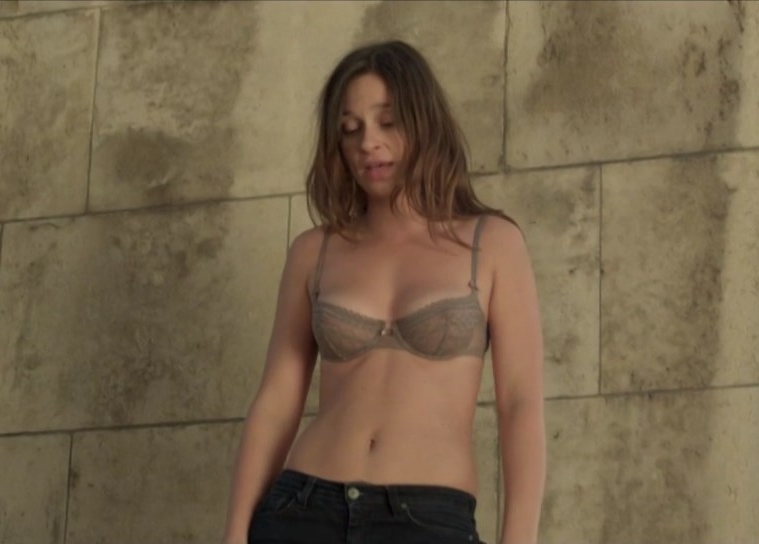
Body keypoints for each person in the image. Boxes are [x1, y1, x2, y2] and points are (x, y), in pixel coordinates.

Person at [223, 40, 545, 544]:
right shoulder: (314, 251)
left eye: (387, 122)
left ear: (424, 123)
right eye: (350, 129)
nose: (368, 143)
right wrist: (235, 533)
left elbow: (520, 403)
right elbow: (277, 401)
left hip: (427, 518)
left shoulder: (493, 244)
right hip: (304, 508)